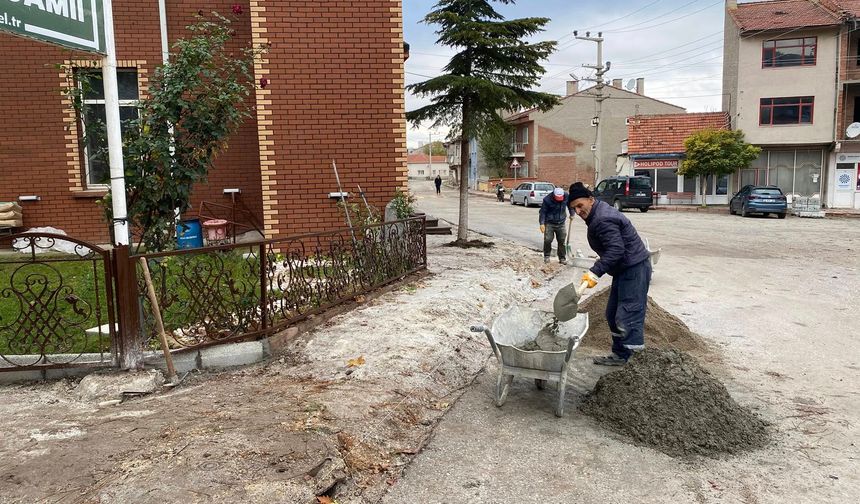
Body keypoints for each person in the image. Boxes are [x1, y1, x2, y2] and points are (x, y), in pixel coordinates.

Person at [568, 182, 651, 366]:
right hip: (624, 269)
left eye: (580, 205)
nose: (579, 211)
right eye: (574, 209)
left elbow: (616, 250)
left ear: (590, 199)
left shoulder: (602, 218)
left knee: (628, 315)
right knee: (612, 313)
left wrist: (595, 272)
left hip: (634, 268)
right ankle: (621, 355)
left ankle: (635, 364)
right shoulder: (597, 213)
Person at [539, 187, 574, 264]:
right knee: (548, 240)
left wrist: (572, 213)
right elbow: (543, 212)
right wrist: (542, 223)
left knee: (561, 241)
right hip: (549, 223)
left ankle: (562, 258)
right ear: (554, 195)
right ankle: (547, 256)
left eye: (560, 198)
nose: (559, 199)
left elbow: (570, 205)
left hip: (561, 223)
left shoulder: (566, 196)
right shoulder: (547, 200)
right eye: (557, 198)